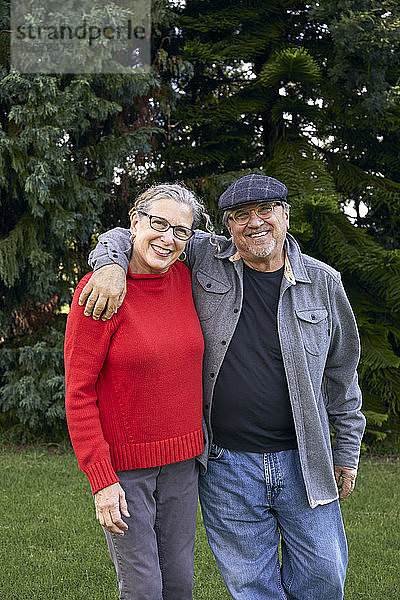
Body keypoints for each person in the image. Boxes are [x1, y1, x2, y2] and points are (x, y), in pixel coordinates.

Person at [80, 174, 366, 600]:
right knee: (252, 586)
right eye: (239, 215)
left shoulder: (324, 283)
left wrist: (347, 450)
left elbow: (342, 376)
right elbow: (136, 232)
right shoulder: (206, 257)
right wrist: (108, 264)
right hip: (226, 464)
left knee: (324, 577)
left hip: (304, 459)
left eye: (265, 210)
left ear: (285, 214)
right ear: (226, 227)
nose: (254, 223)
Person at [64, 183, 213, 600]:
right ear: (134, 222)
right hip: (127, 470)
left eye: (180, 231)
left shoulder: (187, 279)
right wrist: (101, 479)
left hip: (184, 463)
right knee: (144, 589)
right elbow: (78, 393)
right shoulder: (101, 290)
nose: (168, 238)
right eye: (158, 224)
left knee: (180, 585)